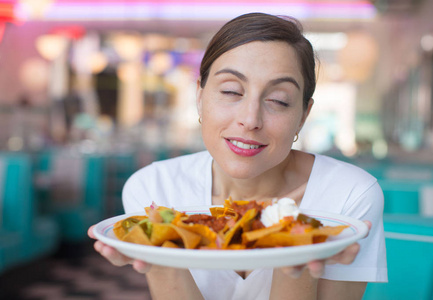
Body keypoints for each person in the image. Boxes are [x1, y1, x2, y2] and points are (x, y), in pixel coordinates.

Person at [88, 12, 387, 299]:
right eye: (231, 91)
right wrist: (162, 253)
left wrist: (300, 257)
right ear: (200, 97)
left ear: (303, 116)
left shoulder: (348, 196)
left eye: (278, 100)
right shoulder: (156, 188)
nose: (250, 119)